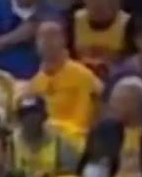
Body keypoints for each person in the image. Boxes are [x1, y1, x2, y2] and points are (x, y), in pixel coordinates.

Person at [24, 20, 102, 148]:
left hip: (75, 141)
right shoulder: (34, 83)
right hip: (43, 144)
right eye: (42, 37)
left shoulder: (83, 75)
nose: (47, 42)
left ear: (64, 41)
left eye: (53, 36)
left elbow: (86, 120)